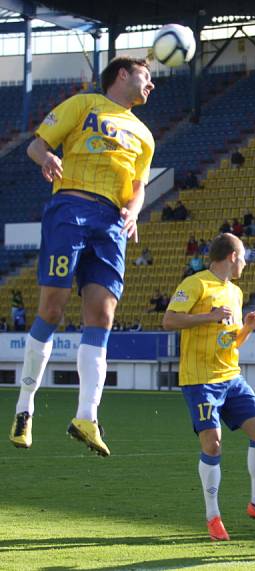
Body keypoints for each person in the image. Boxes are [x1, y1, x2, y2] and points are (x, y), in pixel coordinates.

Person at [9, 57, 155, 454]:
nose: (152, 85)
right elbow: (36, 145)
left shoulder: (144, 135)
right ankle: (25, 408)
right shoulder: (83, 105)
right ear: (122, 74)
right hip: (70, 210)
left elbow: (139, 184)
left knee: (102, 317)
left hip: (111, 223)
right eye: (147, 76)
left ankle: (87, 416)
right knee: (52, 310)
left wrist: (135, 209)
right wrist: (48, 158)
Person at [162, 233, 255, 540]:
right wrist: (209, 316)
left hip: (231, 376)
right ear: (232, 256)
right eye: (243, 256)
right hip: (200, 380)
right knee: (212, 443)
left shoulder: (236, 292)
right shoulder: (196, 284)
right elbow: (168, 320)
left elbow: (228, 341)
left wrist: (247, 328)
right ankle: (213, 516)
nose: (245, 262)